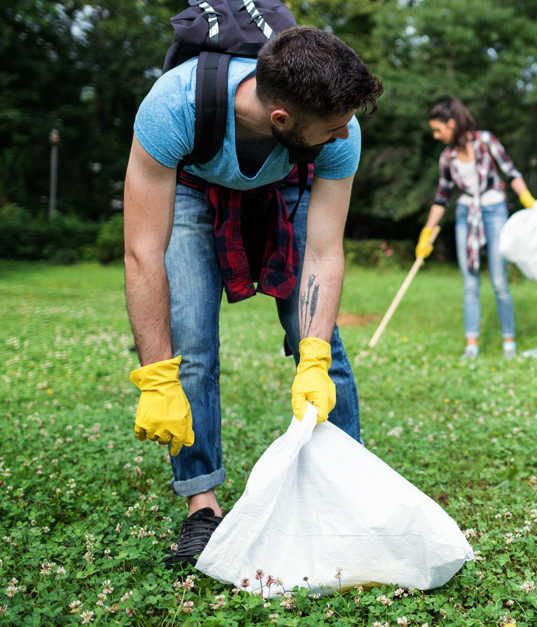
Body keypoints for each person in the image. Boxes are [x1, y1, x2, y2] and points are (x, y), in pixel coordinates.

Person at [123, 26, 384, 566]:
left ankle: (347, 494)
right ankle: (202, 507)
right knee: (190, 346)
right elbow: (143, 253)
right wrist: (154, 375)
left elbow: (324, 252)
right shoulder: (174, 107)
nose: (345, 135)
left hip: (288, 183)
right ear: (282, 118)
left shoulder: (340, 132)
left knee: (322, 347)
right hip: (195, 187)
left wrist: (309, 355)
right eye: (333, 129)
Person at [416, 97, 537, 360]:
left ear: (451, 123)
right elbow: (442, 197)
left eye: (438, 129)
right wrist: (427, 233)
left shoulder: (486, 141)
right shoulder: (447, 157)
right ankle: (472, 346)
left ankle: (509, 343)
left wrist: (528, 201)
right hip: (466, 214)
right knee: (470, 285)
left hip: (494, 209)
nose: (435, 135)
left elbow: (510, 172)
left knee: (499, 282)